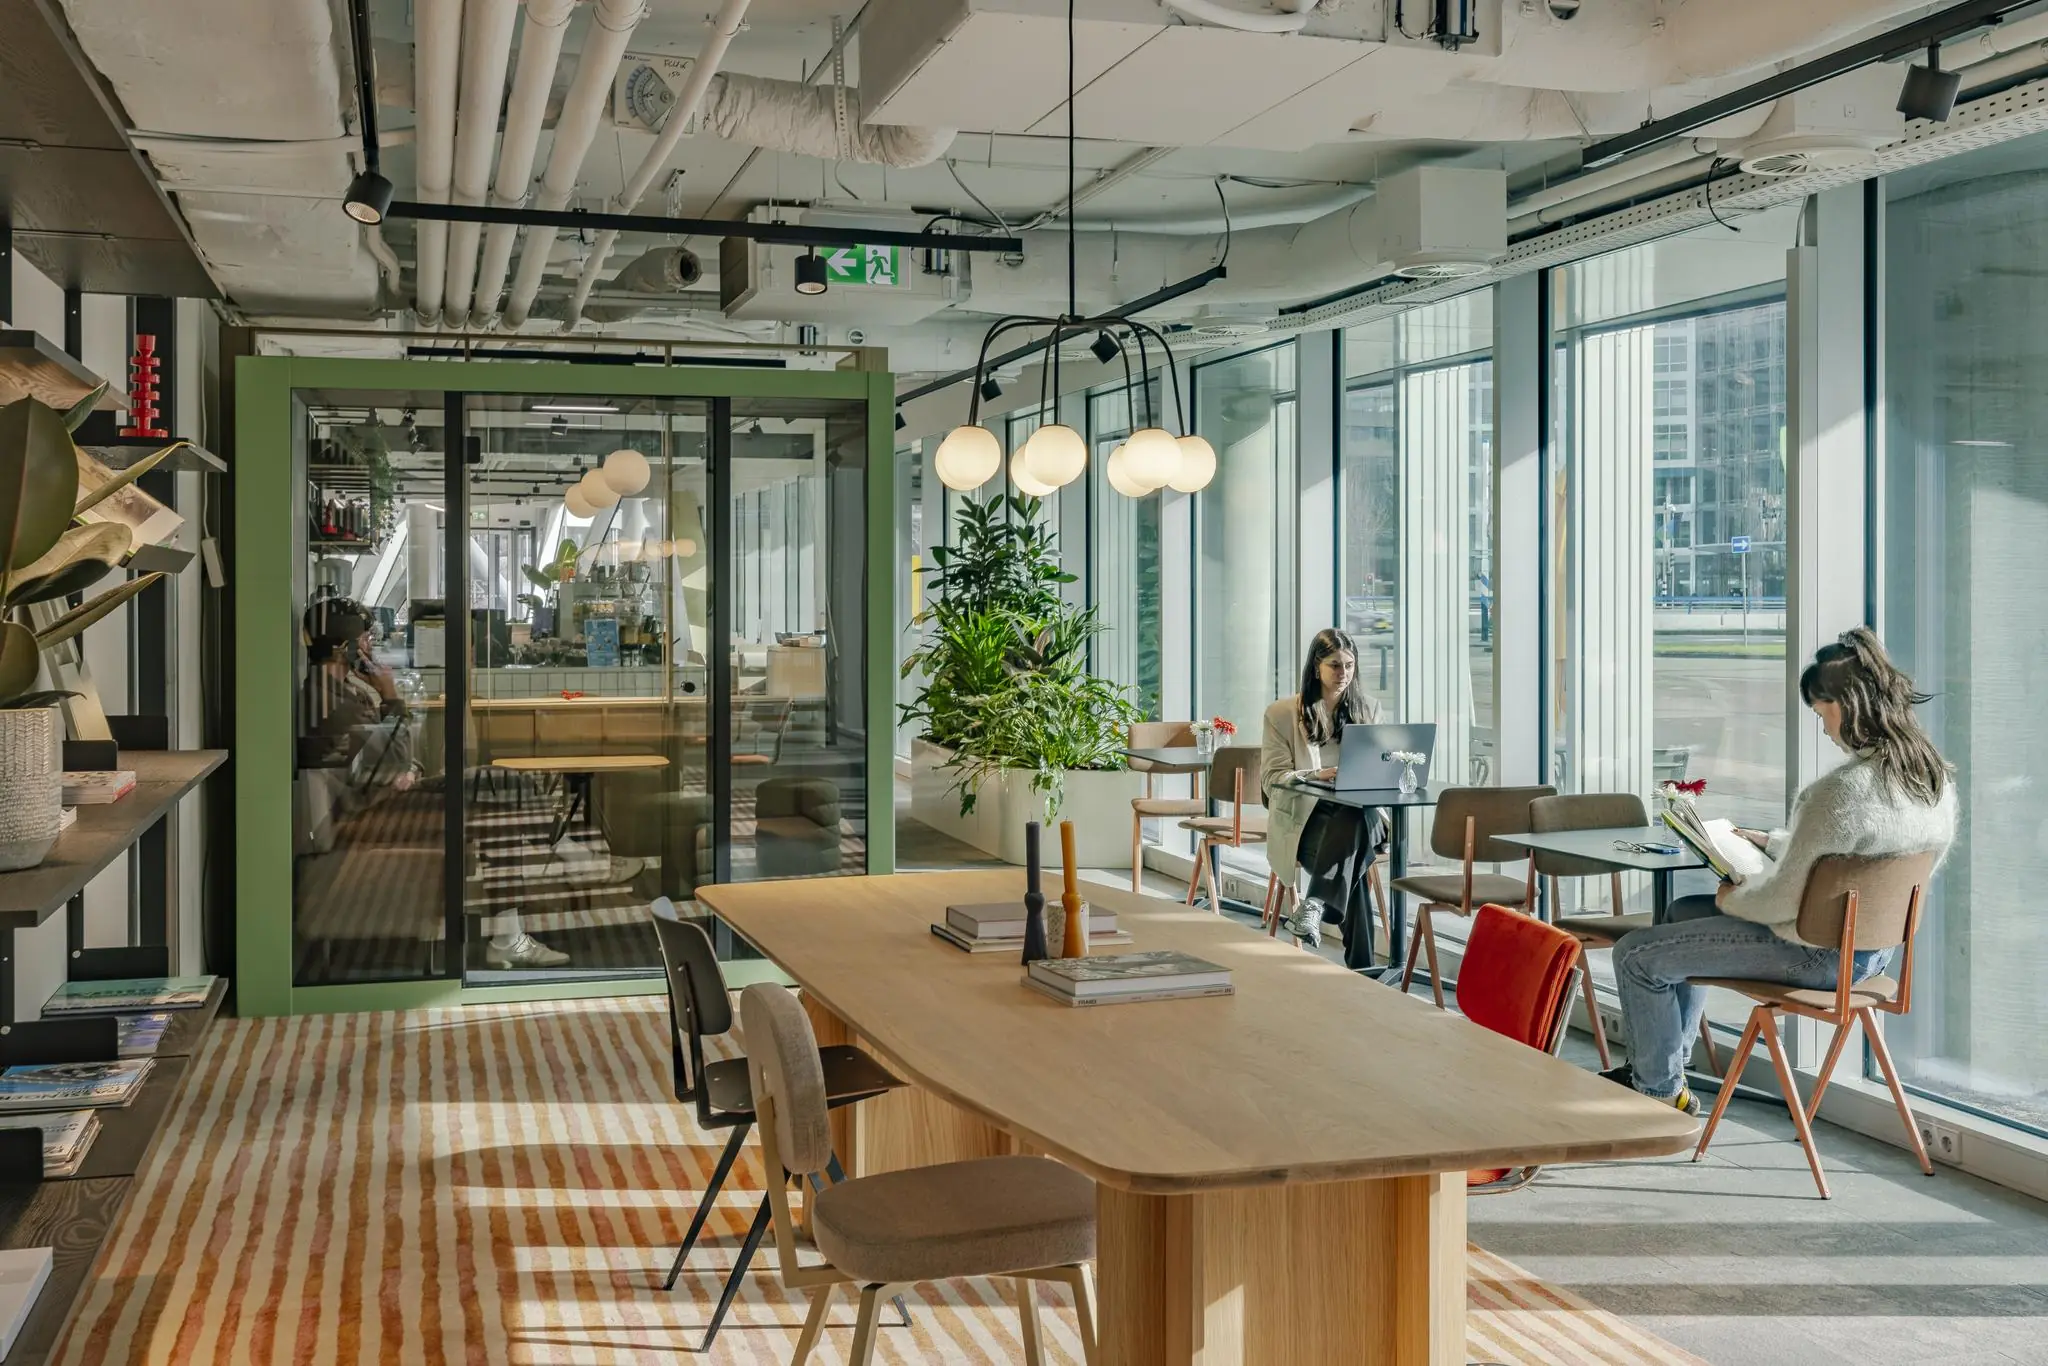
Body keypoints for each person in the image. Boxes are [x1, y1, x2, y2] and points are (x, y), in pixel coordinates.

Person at [1609, 628, 1957, 1114]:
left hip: (1815, 955)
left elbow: (1778, 903)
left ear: (1846, 704)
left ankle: (1658, 1093)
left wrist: (1733, 894)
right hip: (1872, 954)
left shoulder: (1839, 793)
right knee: (1679, 912)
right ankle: (1667, 1069)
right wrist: (1772, 844)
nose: (1823, 729)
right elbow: (1855, 859)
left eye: (1821, 714)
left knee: (1633, 955)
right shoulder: (1930, 778)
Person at [1262, 628, 1388, 968]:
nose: (1343, 674)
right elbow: (1270, 779)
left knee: (1356, 817)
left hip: (1367, 816)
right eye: (1335, 665)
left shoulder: (1369, 709)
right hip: (1310, 820)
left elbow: (1381, 768)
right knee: (1354, 864)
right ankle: (1364, 970)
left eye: (1349, 665)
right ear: (1316, 666)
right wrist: (1316, 775)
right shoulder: (1282, 714)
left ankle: (1315, 902)